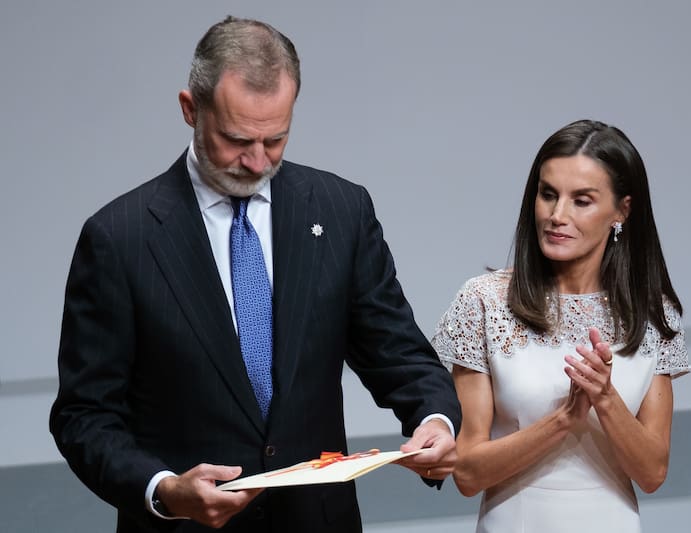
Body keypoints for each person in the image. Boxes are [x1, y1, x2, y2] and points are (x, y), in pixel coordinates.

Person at [50, 16, 460, 533]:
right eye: (236, 139)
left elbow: (397, 351)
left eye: (277, 140)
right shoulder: (119, 238)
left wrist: (434, 419)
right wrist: (164, 489)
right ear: (189, 109)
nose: (257, 161)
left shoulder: (341, 211)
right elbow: (83, 417)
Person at [431, 119, 690, 532]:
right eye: (548, 194)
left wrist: (605, 399)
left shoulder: (651, 313)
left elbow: (653, 473)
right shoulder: (485, 300)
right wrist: (564, 420)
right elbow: (467, 473)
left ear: (622, 210)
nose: (556, 215)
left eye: (581, 200)